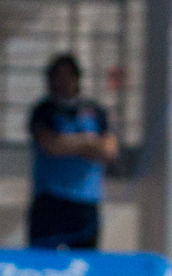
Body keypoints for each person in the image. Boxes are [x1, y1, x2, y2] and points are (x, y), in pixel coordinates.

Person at [28, 53, 117, 250]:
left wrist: (71, 145)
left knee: (85, 264)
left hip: (85, 203)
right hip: (51, 202)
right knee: (43, 262)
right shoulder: (44, 111)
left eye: (67, 75)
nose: (63, 82)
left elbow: (109, 149)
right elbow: (51, 145)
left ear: (77, 78)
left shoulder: (95, 111)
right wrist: (87, 143)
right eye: (57, 76)